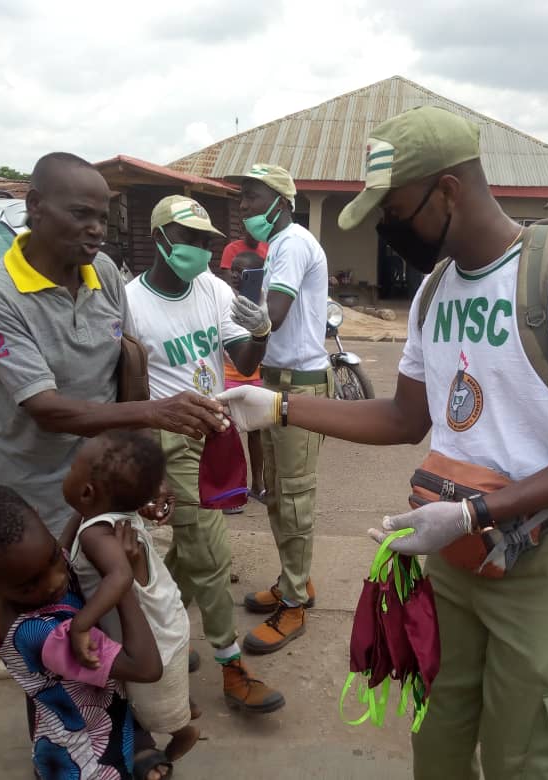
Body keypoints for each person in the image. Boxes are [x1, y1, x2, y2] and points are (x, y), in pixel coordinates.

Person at [219, 106, 548, 780]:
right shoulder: (434, 291)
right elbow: (403, 418)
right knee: (439, 735)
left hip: (543, 559)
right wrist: (277, 407)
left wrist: (480, 511)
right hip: (452, 556)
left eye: (395, 211)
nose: (390, 230)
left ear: (449, 190)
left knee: (525, 753)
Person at [0, 152, 228, 538]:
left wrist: (145, 471)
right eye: (80, 215)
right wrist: (154, 412)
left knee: (115, 585)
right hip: (36, 488)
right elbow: (46, 410)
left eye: (103, 218)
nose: (96, 230)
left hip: (108, 481)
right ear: (35, 206)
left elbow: (128, 375)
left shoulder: (103, 272)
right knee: (42, 591)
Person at [124, 194, 284, 714]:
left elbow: (241, 357)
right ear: (161, 238)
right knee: (212, 553)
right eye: (189, 238)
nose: (199, 248)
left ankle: (158, 629)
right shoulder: (130, 303)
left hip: (214, 430)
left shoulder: (213, 289)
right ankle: (230, 664)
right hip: (169, 436)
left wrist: (259, 331)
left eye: (205, 241)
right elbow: (126, 387)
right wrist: (145, 458)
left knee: (188, 553)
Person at [0, 485, 169, 780]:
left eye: (52, 558)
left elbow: (67, 542)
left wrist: (95, 505)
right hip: (90, 765)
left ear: (39, 520)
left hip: (68, 735)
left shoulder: (31, 567)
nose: (56, 579)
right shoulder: (43, 634)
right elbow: (146, 667)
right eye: (30, 585)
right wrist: (119, 577)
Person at [224, 163, 330, 654]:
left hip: (297, 386)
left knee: (292, 497)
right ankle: (295, 580)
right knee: (274, 492)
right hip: (276, 381)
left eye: (252, 196)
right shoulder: (280, 245)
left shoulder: (291, 243)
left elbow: (276, 316)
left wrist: (250, 320)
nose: (243, 205)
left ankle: (295, 604)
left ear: (282, 203)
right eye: (242, 197)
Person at [61, 431, 199, 765]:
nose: (66, 475)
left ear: (87, 491)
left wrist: (81, 626)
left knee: (154, 709)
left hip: (155, 635)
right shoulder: (104, 516)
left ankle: (182, 730)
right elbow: (65, 549)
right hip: (163, 617)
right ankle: (182, 703)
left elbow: (120, 576)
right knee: (163, 687)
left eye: (71, 470)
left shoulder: (98, 534)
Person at [222, 251, 269, 513]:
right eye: (234, 271)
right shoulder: (222, 298)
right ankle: (231, 490)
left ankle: (257, 483)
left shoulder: (264, 302)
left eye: (245, 273)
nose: (237, 277)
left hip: (255, 378)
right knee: (228, 436)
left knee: (257, 433)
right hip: (228, 377)